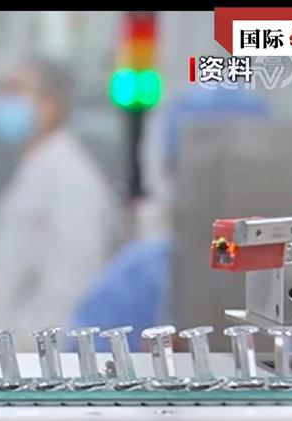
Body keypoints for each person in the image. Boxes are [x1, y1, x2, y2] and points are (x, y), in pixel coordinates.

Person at [66, 85, 271, 351]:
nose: (222, 188)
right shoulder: (140, 277)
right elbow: (84, 357)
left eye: (241, 171)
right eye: (199, 173)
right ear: (170, 171)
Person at [0, 57, 120, 350]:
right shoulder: (34, 169)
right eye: (2, 93)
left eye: (16, 91)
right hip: (13, 355)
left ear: (53, 104)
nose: (5, 103)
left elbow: (72, 287)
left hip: (45, 358)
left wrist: (34, 353)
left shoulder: (72, 180)